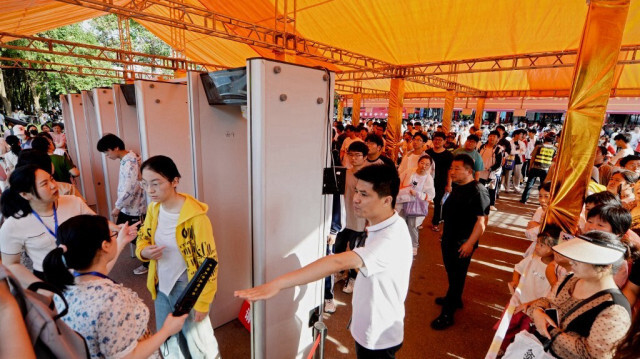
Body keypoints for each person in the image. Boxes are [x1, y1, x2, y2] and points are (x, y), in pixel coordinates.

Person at [236, 164, 412, 359]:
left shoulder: (389, 239)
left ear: (387, 200)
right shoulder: (386, 224)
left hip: (378, 335)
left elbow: (337, 263)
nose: (355, 199)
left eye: (364, 194)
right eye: (356, 191)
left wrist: (278, 284)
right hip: (372, 325)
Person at [43, 215, 188, 358]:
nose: (115, 237)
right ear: (105, 246)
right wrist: (167, 330)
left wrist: (121, 240)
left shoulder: (63, 287)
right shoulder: (111, 299)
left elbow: (98, 271)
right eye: (112, 235)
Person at [135, 155, 220, 359]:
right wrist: (144, 252)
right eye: (145, 184)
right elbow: (143, 237)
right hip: (161, 286)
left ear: (174, 181)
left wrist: (203, 302)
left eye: (156, 183)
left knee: (200, 346)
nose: (150, 190)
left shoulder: (197, 218)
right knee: (169, 342)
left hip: (188, 289)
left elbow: (209, 263)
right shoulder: (154, 209)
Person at [524, 231, 635, 359]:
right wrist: (537, 312)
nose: (572, 262)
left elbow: (592, 354)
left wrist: (547, 327)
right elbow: (547, 302)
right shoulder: (571, 279)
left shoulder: (615, 310)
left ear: (606, 267)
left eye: (580, 258)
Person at [0, 165, 99, 279]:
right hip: (49, 279)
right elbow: (11, 264)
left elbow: (96, 223)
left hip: (86, 272)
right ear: (25, 194)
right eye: (44, 184)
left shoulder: (73, 201)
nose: (54, 185)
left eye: (51, 179)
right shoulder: (13, 224)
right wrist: (39, 286)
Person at [431, 154, 490, 330]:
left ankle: (448, 314)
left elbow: (482, 222)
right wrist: (444, 229)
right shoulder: (458, 186)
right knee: (452, 272)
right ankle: (454, 298)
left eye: (457, 168)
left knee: (457, 276)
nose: (452, 172)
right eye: (451, 168)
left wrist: (470, 243)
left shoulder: (478, 191)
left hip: (463, 242)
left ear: (469, 171)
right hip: (449, 237)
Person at [326, 141, 370, 312]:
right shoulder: (345, 174)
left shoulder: (369, 177)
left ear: (365, 157)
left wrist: (369, 222)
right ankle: (339, 273)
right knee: (337, 249)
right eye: (351, 154)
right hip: (344, 220)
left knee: (355, 251)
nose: (353, 158)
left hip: (360, 221)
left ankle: (351, 277)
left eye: (358, 155)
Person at [97, 134, 148, 275]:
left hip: (134, 208)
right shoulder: (127, 159)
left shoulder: (130, 161)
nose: (107, 156)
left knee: (133, 234)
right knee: (124, 231)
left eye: (107, 152)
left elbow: (130, 188)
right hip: (129, 207)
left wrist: (118, 206)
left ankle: (148, 261)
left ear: (116, 148)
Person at [398, 154, 435, 255]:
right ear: (418, 162)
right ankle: (400, 243)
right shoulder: (410, 171)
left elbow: (431, 195)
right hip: (402, 201)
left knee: (412, 226)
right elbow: (399, 181)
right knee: (400, 223)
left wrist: (417, 194)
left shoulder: (428, 178)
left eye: (427, 164)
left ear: (430, 166)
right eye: (422, 163)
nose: (424, 166)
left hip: (415, 206)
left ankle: (414, 245)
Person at [426, 132, 454, 232]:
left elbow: (450, 171)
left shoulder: (448, 155)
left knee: (438, 203)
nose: (437, 141)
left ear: (444, 141)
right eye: (435, 139)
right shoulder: (427, 153)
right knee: (423, 201)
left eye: (440, 140)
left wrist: (449, 184)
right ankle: (418, 221)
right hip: (427, 181)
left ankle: (435, 222)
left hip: (441, 182)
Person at [520, 133, 556, 204]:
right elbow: (553, 160)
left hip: (535, 168)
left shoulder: (539, 146)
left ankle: (524, 199)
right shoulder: (554, 149)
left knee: (529, 185)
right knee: (544, 186)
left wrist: (529, 167)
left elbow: (532, 158)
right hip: (546, 170)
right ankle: (543, 201)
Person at [477, 130, 503, 210]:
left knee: (491, 188)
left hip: (490, 173)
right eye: (490, 136)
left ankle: (491, 204)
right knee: (479, 187)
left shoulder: (498, 150)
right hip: (479, 172)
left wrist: (491, 169)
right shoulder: (482, 146)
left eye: (494, 137)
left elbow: (499, 163)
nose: (491, 138)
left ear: (497, 139)